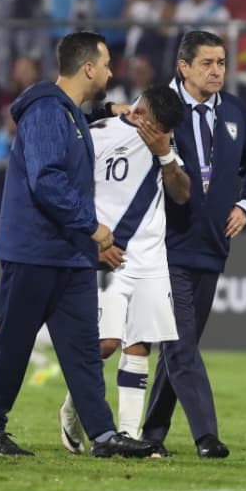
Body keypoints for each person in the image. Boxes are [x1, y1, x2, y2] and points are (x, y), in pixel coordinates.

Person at [0, 32, 153, 459]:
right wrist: (91, 227)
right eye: (106, 65)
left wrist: (110, 111)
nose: (110, 72)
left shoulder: (66, 113)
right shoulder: (45, 112)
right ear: (88, 68)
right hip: (34, 252)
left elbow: (76, 126)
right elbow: (47, 180)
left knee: (83, 351)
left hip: (69, 255)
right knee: (14, 344)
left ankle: (103, 435)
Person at [141, 31, 246, 459]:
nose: (217, 71)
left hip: (212, 246)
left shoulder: (233, 111)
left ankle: (152, 434)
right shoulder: (158, 108)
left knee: (179, 346)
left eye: (222, 63)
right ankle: (206, 437)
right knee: (180, 345)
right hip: (165, 245)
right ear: (184, 67)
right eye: (207, 63)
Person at [58, 86, 191, 453]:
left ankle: (130, 436)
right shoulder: (99, 133)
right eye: (156, 127)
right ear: (139, 113)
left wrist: (164, 153)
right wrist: (91, 240)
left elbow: (182, 194)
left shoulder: (165, 144)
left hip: (150, 258)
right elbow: (71, 189)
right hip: (108, 254)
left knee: (140, 345)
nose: (159, 134)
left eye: (165, 131)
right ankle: (72, 409)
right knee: (104, 344)